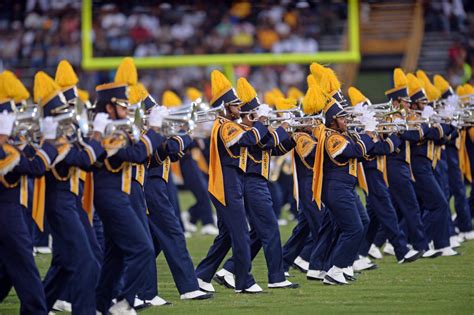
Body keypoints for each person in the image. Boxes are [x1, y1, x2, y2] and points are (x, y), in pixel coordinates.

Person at [92, 58, 164, 315]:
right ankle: (124, 303)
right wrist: (153, 129)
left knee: (116, 256)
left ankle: (100, 305)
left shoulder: (113, 126)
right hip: (110, 196)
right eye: (123, 105)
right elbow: (134, 154)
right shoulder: (103, 128)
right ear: (110, 107)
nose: (127, 110)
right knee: (143, 249)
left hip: (118, 194)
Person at [214, 79, 298, 289]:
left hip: (257, 183)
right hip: (251, 183)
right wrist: (279, 126)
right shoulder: (246, 131)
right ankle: (276, 277)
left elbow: (276, 147)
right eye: (254, 116)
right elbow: (264, 140)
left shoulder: (257, 130)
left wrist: (293, 132)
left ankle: (229, 270)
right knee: (269, 229)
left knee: (260, 233)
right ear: (247, 116)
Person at [32, 70, 104, 314]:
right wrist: (97, 135)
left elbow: (92, 160)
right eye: (64, 111)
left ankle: (38, 307)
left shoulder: (65, 136)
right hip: (60, 204)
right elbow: (84, 159)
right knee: (86, 262)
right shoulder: (53, 140)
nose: (70, 115)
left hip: (71, 202)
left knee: (66, 263)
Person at [195, 70, 269, 293]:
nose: (239, 108)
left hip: (232, 181)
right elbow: (249, 139)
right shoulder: (225, 125)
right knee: (240, 233)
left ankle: (201, 276)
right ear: (224, 107)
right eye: (235, 105)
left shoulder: (230, 123)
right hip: (226, 183)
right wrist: (262, 122)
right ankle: (243, 281)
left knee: (228, 234)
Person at [0, 72, 58, 315]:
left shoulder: (8, 146)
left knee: (6, 270)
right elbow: (35, 167)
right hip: (6, 211)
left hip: (12, 210)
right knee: (25, 266)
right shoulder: (4, 150)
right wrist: (50, 142)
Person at [347, 87, 422, 267]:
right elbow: (380, 148)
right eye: (366, 109)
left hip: (377, 171)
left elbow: (381, 145)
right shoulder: (357, 128)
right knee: (386, 211)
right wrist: (395, 135)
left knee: (372, 215)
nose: (372, 113)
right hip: (369, 172)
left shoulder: (367, 127)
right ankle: (401, 250)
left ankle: (361, 253)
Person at [311, 83, 376, 285]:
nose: (346, 120)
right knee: (354, 229)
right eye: (342, 117)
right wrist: (368, 131)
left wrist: (369, 133)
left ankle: (341, 265)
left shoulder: (342, 134)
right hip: (336, 189)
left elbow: (364, 151)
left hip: (345, 188)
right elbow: (354, 152)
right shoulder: (331, 138)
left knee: (362, 223)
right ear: (332, 120)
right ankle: (335, 270)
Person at [406, 73, 458, 257]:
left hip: (429, 164)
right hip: (417, 166)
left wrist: (447, 123)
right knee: (439, 203)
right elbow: (432, 134)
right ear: (413, 104)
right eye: (422, 102)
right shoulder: (411, 119)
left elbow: (447, 133)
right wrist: (436, 125)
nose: (426, 105)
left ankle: (441, 244)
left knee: (435, 203)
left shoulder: (424, 117)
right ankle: (421, 243)